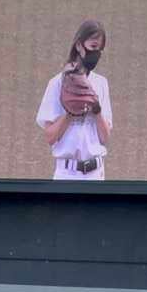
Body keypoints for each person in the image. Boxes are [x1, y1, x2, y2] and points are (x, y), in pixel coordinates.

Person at [36, 21, 113, 180]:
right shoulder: (57, 83)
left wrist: (97, 110)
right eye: (93, 46)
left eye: (100, 49)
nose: (96, 53)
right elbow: (50, 137)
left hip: (95, 174)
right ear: (79, 46)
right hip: (66, 173)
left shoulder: (101, 83)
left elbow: (105, 138)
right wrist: (70, 112)